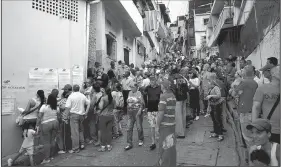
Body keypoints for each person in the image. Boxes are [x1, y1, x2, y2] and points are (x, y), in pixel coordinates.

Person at [252, 66, 280, 144]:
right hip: (271, 129)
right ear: (273, 73)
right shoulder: (262, 88)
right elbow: (256, 107)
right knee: (272, 153)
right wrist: (255, 127)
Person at [233, 66, 258, 149]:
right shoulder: (255, 82)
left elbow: (234, 92)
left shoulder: (244, 82)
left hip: (245, 111)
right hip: (253, 111)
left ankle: (251, 158)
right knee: (252, 136)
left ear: (244, 73)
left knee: (248, 138)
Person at [155, 79, 177, 166]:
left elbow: (161, 112)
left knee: (164, 147)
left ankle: (164, 164)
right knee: (171, 146)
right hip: (172, 124)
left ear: (163, 86)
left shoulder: (163, 97)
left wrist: (157, 125)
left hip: (165, 125)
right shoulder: (172, 95)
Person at [65, 84, 90, 153]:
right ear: (78, 89)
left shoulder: (71, 96)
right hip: (81, 115)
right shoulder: (82, 95)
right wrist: (86, 112)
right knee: (80, 130)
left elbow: (67, 108)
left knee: (74, 132)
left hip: (73, 115)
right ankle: (82, 144)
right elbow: (88, 103)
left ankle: (75, 148)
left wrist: (65, 117)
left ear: (73, 89)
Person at [36, 94, 59, 164]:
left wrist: (37, 125)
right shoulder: (56, 107)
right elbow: (58, 115)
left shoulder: (44, 106)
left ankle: (47, 158)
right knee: (53, 140)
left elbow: (39, 117)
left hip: (46, 124)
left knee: (46, 142)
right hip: (55, 123)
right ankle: (51, 155)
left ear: (48, 99)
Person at [125, 83, 145, 151]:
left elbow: (142, 103)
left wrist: (140, 110)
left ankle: (141, 139)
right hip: (130, 112)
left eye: (133, 87)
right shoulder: (129, 93)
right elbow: (127, 101)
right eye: (131, 87)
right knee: (128, 128)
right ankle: (129, 143)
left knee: (139, 127)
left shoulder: (139, 93)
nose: (131, 88)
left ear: (136, 87)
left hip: (137, 112)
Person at [144, 76, 162, 150]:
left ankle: (160, 141)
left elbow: (162, 97)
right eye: (151, 81)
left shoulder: (159, 88)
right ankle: (153, 142)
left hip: (158, 109)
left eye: (153, 81)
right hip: (150, 109)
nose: (152, 82)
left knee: (158, 127)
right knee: (152, 126)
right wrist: (145, 107)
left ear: (155, 81)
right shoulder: (147, 88)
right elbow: (145, 96)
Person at [206, 74, 225, 141]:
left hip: (216, 105)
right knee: (214, 120)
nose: (208, 82)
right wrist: (208, 107)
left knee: (217, 120)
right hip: (212, 105)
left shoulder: (216, 87)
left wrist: (211, 96)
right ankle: (216, 132)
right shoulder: (211, 88)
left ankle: (220, 134)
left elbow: (218, 95)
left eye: (208, 80)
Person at [98, 88, 115, 152]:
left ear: (105, 92)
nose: (101, 93)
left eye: (102, 92)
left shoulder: (103, 98)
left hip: (103, 116)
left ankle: (103, 146)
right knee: (109, 131)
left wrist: (99, 102)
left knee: (103, 132)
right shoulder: (112, 98)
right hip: (111, 116)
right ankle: (109, 146)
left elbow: (101, 107)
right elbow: (115, 106)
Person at [57, 84, 73, 154]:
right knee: (69, 133)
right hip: (71, 118)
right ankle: (70, 148)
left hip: (65, 119)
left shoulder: (63, 101)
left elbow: (60, 107)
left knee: (65, 135)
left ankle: (66, 149)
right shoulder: (72, 99)